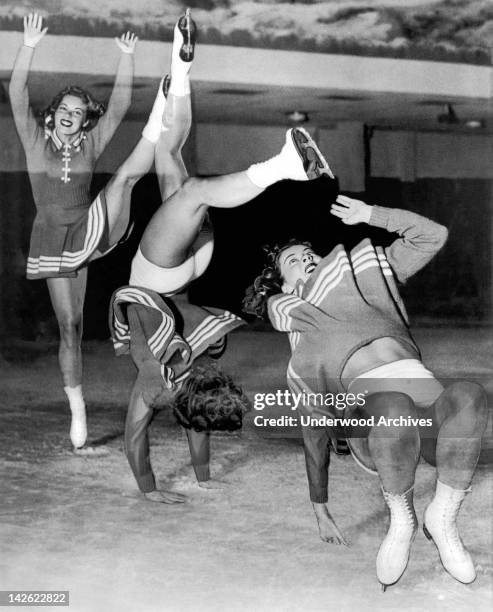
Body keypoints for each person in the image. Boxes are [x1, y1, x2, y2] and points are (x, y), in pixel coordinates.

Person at [108, 10, 334, 502]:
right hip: (183, 273)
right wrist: (202, 479)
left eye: (209, 384)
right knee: (181, 177)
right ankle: (276, 158)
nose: (215, 376)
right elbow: (190, 431)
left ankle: (189, 77)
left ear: (194, 393)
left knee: (183, 179)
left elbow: (136, 430)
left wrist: (149, 491)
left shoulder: (161, 376)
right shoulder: (198, 370)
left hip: (163, 274)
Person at [243, 193, 488, 589]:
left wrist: (371, 215)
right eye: (294, 260)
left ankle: (441, 517)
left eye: (309, 253)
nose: (306, 259)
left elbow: (432, 235)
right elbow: (314, 435)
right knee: (392, 407)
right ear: (284, 284)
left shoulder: (367, 277)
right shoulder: (300, 327)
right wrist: (320, 507)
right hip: (371, 421)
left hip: (423, 406)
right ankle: (402, 519)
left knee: (470, 396)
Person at [9, 13, 138, 452]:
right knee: (68, 325)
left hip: (84, 230)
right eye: (64, 109)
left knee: (77, 324)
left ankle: (79, 398)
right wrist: (28, 46)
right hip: (49, 235)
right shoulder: (34, 141)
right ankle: (77, 409)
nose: (69, 115)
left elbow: (119, 106)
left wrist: (126, 57)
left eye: (78, 112)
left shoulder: (91, 144)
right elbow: (16, 92)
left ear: (85, 121)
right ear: (55, 114)